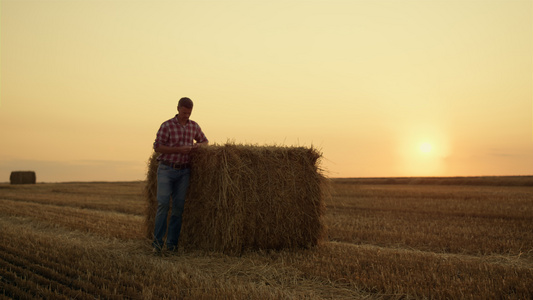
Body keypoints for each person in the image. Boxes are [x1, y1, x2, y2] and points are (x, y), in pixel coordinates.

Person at [152, 97, 208, 254]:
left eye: (189, 113)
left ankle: (172, 245)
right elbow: (157, 147)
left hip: (184, 172)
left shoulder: (194, 126)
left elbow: (205, 141)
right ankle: (157, 244)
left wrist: (197, 146)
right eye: (184, 112)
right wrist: (178, 150)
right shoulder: (167, 125)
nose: (186, 116)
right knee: (163, 205)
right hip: (166, 170)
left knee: (178, 209)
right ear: (178, 109)